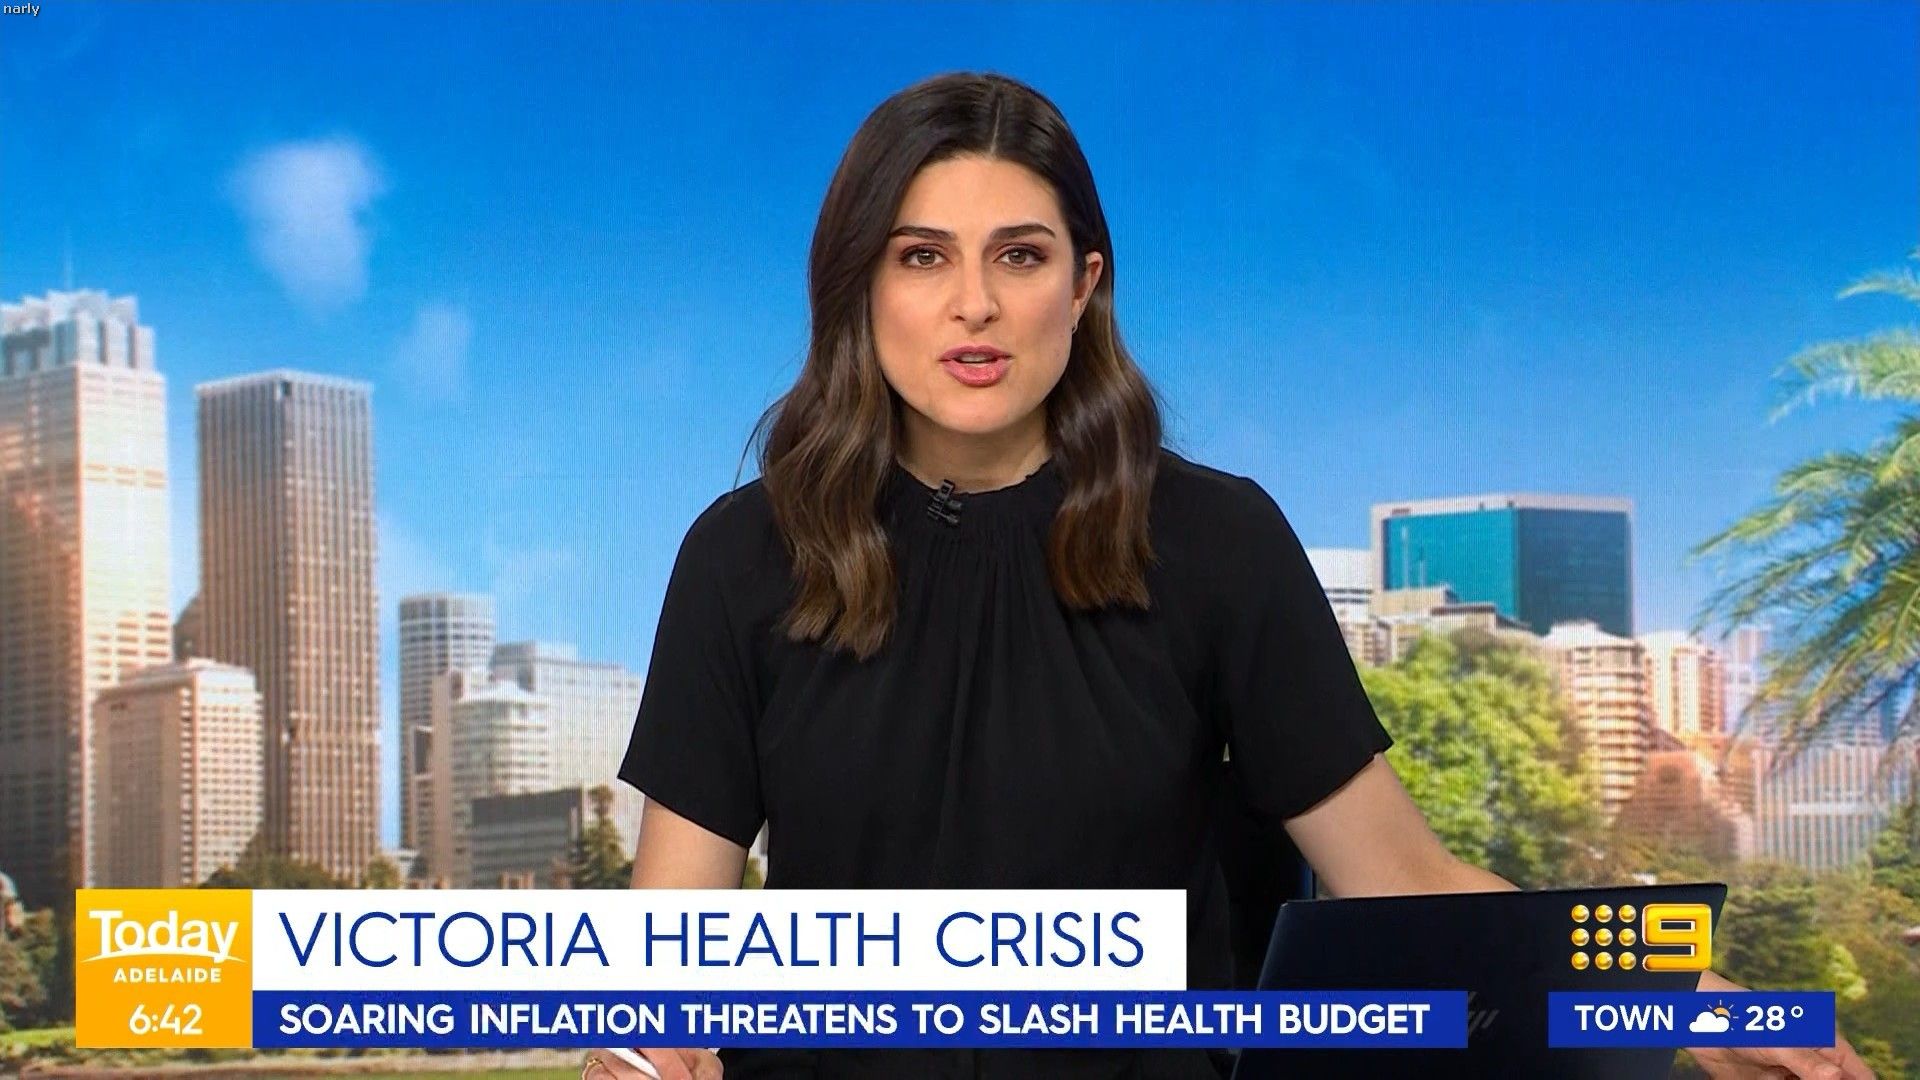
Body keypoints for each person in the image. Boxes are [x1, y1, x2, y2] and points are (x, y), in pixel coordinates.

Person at [582, 72, 1873, 1080]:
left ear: (1083, 286)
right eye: (922, 256)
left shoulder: (1216, 542)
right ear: (860, 286)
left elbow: (1403, 882)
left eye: (1020, 255)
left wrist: (1687, 1002)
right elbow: (668, 959)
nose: (974, 303)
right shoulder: (742, 556)